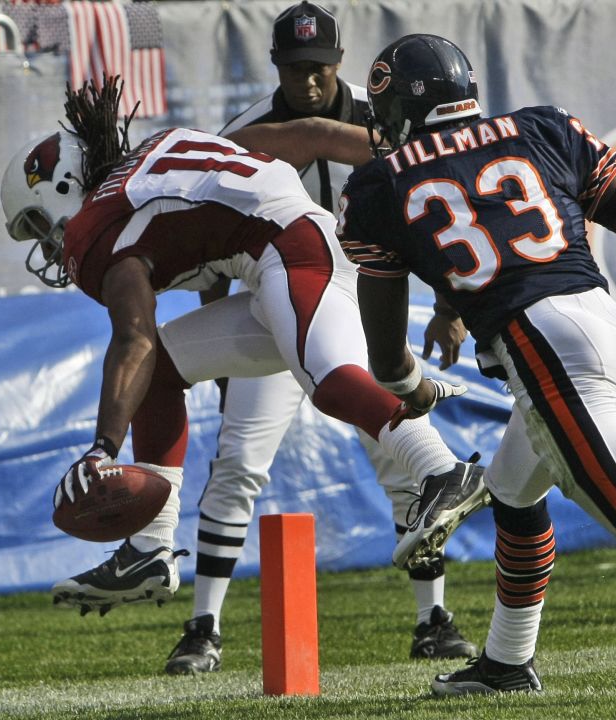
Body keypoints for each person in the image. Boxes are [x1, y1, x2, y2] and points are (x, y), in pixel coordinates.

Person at [228, 33, 616, 695]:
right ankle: (506, 662)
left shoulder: (381, 184)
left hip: (548, 350)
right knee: (515, 495)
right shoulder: (544, 127)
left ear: (400, 110)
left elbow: (384, 354)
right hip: (609, 324)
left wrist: (410, 387)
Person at [0, 77, 491, 642]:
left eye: (37, 222)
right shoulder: (156, 151)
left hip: (294, 251)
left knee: (327, 382)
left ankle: (443, 470)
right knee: (159, 374)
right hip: (285, 253)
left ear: (62, 185)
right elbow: (301, 140)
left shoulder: (97, 227)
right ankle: (151, 547)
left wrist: (102, 448)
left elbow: (132, 337)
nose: (46, 242)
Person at [165, 2, 477, 676]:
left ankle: (433, 618)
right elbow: (212, 233)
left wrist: (449, 306)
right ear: (277, 66)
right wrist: (216, 322)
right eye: (294, 67)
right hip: (272, 310)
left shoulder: (386, 112)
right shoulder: (247, 130)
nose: (308, 80)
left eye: (319, 68)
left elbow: (444, 205)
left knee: (400, 463)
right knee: (240, 461)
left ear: (339, 64)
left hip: (370, 308)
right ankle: (203, 626)